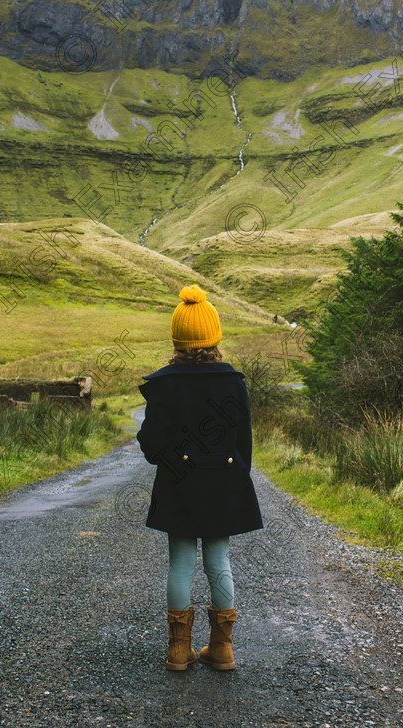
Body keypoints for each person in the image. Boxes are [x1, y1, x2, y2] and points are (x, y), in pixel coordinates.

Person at [136, 284, 264, 672]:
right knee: (219, 562)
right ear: (214, 335)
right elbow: (245, 443)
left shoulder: (166, 384)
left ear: (177, 339)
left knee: (180, 563)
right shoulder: (233, 382)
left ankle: (179, 652)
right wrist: (235, 477)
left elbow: (151, 446)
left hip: (179, 485)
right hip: (224, 483)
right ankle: (222, 650)